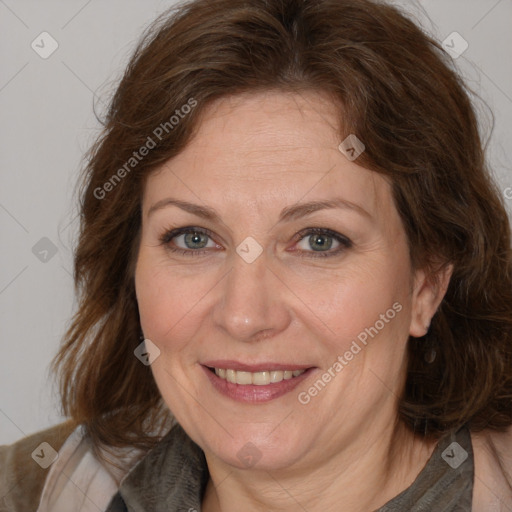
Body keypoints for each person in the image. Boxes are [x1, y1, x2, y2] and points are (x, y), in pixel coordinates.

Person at [1, 0, 512, 510]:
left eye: (319, 240)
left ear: (425, 284)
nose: (244, 315)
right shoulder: (32, 490)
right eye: (194, 238)